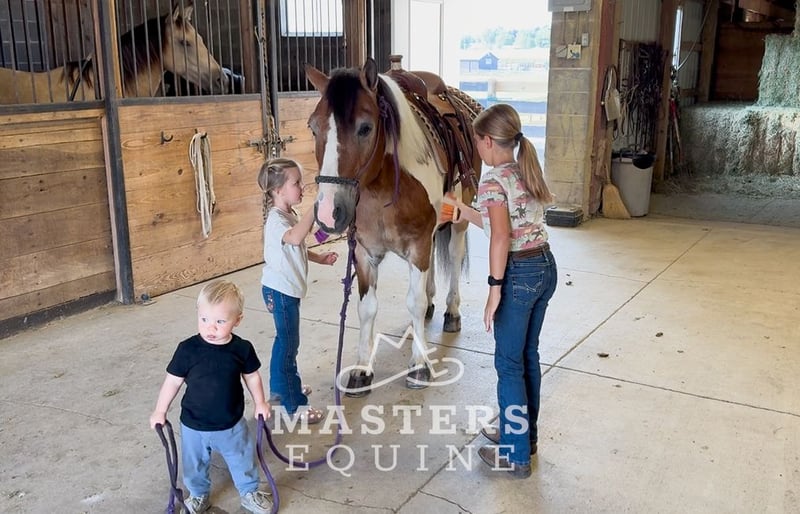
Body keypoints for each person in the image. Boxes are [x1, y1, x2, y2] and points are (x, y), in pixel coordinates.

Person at [445, 104, 557, 478]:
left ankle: (514, 454)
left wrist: (494, 288)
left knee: (508, 364)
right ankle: (522, 436)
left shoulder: (493, 180)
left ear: (488, 141)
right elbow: (506, 224)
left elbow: (501, 238)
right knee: (527, 356)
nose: (476, 149)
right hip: (544, 267)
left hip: (519, 274)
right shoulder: (526, 169)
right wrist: (464, 211)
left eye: (477, 142)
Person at [149, 279, 273, 514]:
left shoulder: (242, 349)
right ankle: (198, 495)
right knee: (193, 464)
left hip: (231, 424)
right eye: (204, 319)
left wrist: (260, 402)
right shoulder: (187, 349)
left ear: (237, 320)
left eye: (220, 321)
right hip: (193, 425)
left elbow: (252, 377)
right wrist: (160, 410)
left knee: (242, 458)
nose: (210, 328)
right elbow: (172, 381)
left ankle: (249, 492)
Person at [257, 158, 338, 424]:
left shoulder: (288, 215)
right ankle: (294, 405)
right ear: (278, 190)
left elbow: (298, 245)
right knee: (288, 345)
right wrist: (315, 208)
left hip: (286, 291)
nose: (302, 187)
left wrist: (320, 257)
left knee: (285, 343)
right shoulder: (275, 220)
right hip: (280, 292)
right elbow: (294, 237)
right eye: (297, 183)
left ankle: (281, 389)